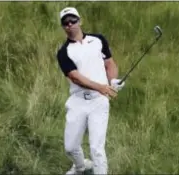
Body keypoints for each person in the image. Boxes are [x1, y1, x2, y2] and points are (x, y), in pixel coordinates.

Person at [56, 7, 125, 175]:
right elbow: (76, 78)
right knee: (70, 147)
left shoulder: (98, 39)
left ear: (80, 21)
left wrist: (113, 81)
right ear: (63, 27)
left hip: (99, 102)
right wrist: (102, 87)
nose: (70, 24)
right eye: (65, 23)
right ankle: (81, 167)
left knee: (97, 148)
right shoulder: (63, 52)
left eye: (73, 20)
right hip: (78, 100)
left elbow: (110, 64)